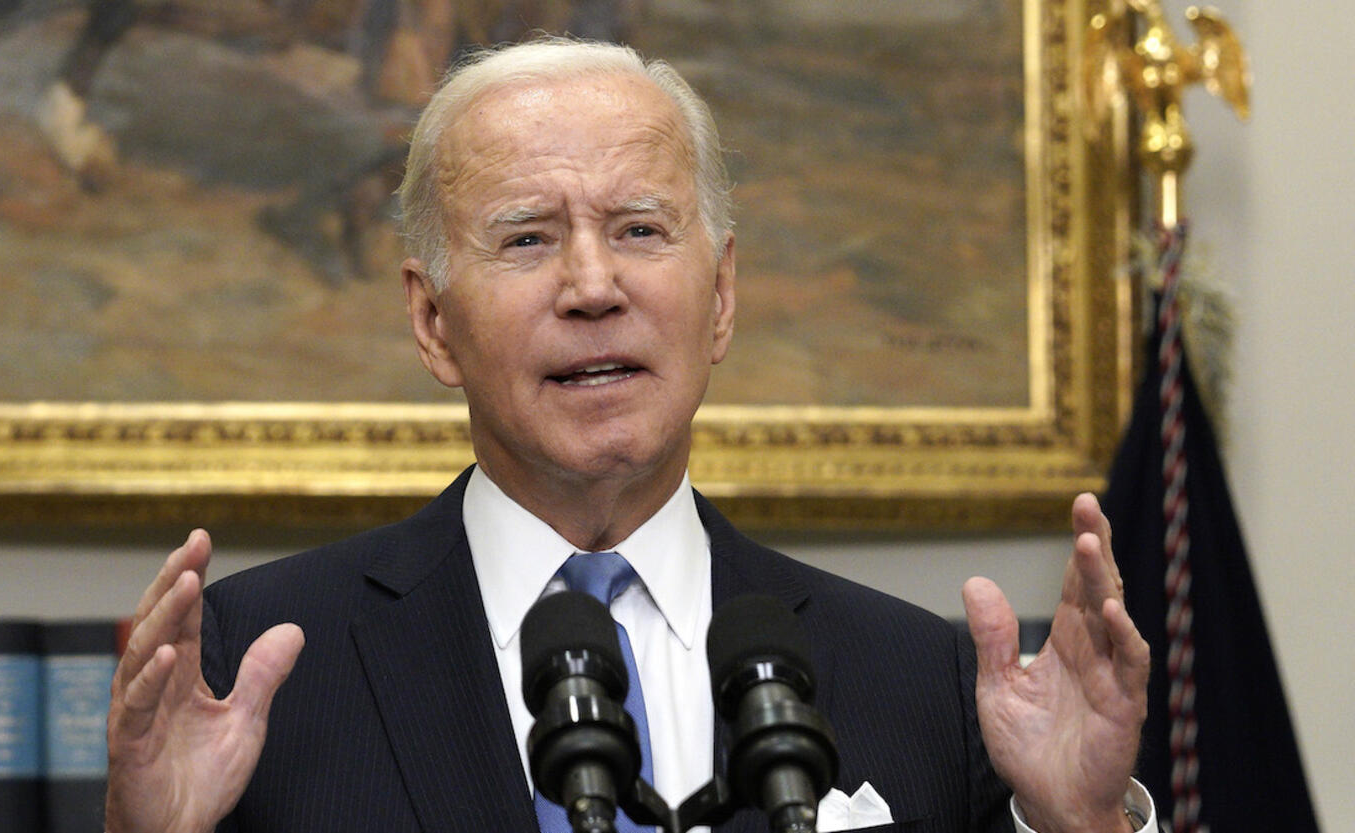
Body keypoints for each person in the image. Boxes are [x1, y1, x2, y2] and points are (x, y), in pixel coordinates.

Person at [104, 38, 1154, 833]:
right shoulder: (260, 664)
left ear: (722, 295)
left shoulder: (920, 678)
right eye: (526, 237)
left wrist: (1079, 822)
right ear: (433, 322)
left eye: (640, 229)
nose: (593, 286)